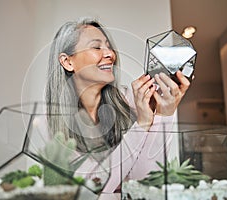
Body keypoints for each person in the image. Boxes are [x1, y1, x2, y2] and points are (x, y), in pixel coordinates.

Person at [45, 17, 191, 194]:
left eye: (108, 46)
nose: (110, 54)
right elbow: (94, 189)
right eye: (97, 47)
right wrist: (142, 124)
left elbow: (145, 180)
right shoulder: (58, 125)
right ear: (68, 62)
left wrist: (163, 113)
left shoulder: (130, 100)